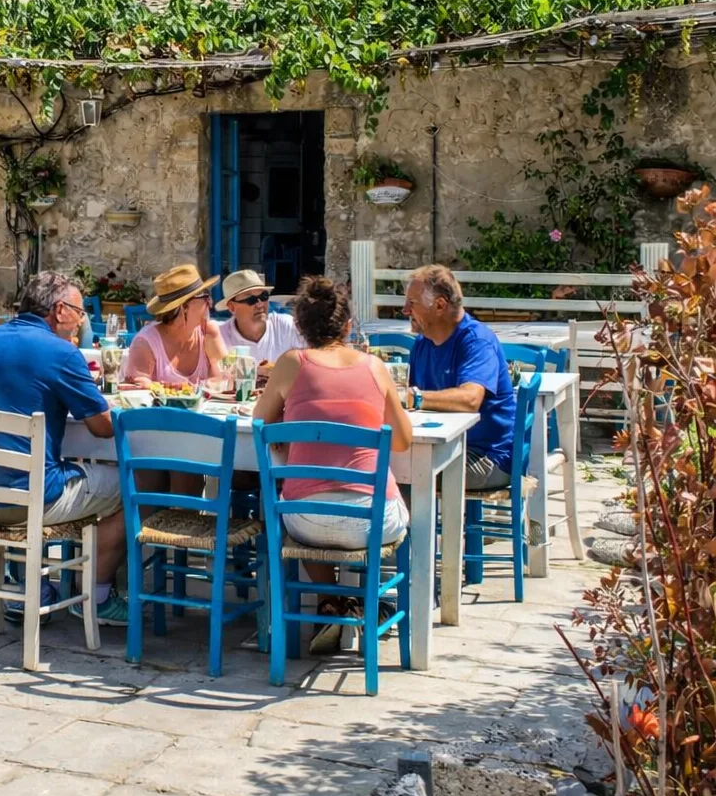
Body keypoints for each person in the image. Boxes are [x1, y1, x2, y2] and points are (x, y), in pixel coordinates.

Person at [0, 270, 130, 626]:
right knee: (129, 488)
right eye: (80, 313)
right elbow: (102, 427)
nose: (82, 322)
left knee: (33, 469)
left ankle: (30, 587)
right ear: (60, 310)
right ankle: (98, 597)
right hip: (26, 501)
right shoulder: (61, 352)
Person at [253, 276, 413, 654]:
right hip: (371, 521)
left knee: (306, 504)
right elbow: (403, 441)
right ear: (347, 326)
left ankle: (330, 602)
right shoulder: (375, 367)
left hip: (306, 520)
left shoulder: (290, 364)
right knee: (405, 502)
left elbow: (260, 422)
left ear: (299, 327)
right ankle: (372, 601)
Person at [403, 264, 515, 490]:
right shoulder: (422, 343)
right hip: (442, 446)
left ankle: (418, 527)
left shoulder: (477, 341)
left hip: (487, 457)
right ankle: (410, 526)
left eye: (412, 304)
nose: (405, 310)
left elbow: (470, 399)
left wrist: (412, 398)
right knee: (380, 465)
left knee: (406, 477)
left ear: (440, 305)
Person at [122, 264, 226, 387]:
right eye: (206, 297)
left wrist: (168, 387)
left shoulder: (209, 332)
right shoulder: (145, 342)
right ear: (184, 307)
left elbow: (223, 380)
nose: (210, 303)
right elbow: (136, 390)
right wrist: (182, 389)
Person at [216, 268, 306, 363]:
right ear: (232, 307)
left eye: (263, 296)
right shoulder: (220, 337)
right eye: (251, 299)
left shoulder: (286, 327)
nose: (260, 304)